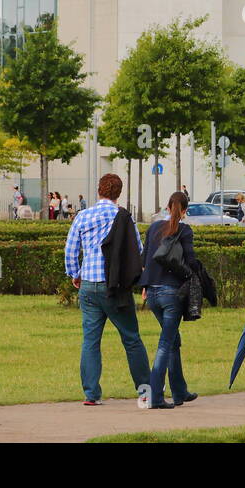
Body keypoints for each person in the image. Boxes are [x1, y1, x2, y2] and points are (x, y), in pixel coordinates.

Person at [64, 173, 150, 405]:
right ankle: (145, 392)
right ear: (119, 193)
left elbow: (71, 249)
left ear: (99, 190)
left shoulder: (83, 216)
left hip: (89, 285)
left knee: (91, 340)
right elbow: (137, 249)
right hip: (115, 286)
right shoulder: (123, 217)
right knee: (131, 339)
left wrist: (75, 274)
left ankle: (91, 394)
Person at [139, 191, 198, 409]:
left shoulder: (154, 227)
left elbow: (144, 259)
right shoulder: (184, 230)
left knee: (173, 340)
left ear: (167, 206)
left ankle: (180, 391)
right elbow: (190, 260)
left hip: (152, 293)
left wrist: (145, 286)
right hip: (171, 293)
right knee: (165, 343)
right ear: (184, 210)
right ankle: (154, 396)